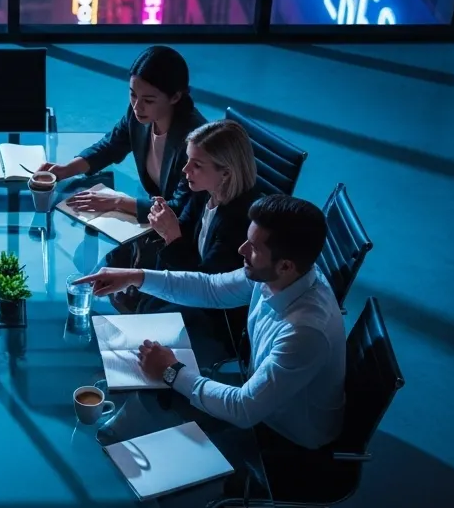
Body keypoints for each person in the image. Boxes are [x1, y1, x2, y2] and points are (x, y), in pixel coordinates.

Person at [75, 194, 346, 450]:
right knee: (154, 388)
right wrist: (136, 276)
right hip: (256, 392)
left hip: (280, 435)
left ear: (285, 265)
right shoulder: (285, 274)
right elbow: (212, 289)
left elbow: (243, 410)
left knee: (156, 409)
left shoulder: (305, 332)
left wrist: (171, 371)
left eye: (253, 247)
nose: (241, 249)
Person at [38, 46, 207, 225]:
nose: (137, 107)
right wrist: (67, 169)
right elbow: (110, 146)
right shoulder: (139, 115)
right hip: (155, 214)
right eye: (133, 95)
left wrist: (118, 202)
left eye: (148, 100)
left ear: (175, 97)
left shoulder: (196, 141)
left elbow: (181, 208)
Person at [124, 119, 260, 317]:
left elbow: (204, 289)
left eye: (196, 165)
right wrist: (167, 224)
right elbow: (185, 231)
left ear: (225, 173)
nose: (185, 169)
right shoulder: (204, 190)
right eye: (188, 160)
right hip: (186, 290)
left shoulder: (239, 221)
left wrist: (171, 236)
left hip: (210, 315)